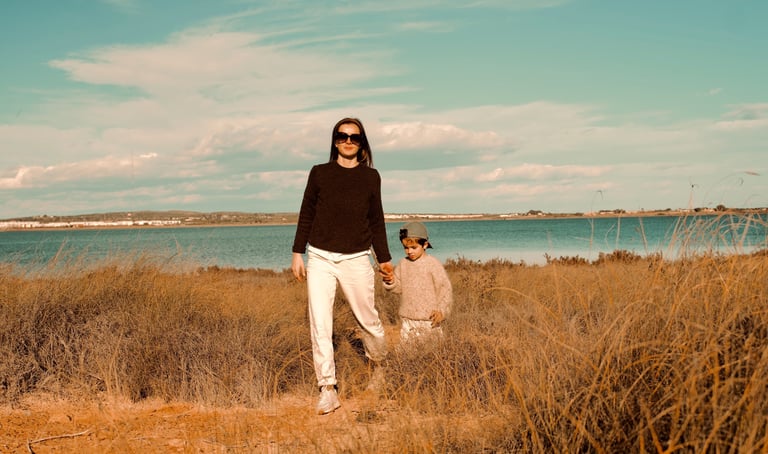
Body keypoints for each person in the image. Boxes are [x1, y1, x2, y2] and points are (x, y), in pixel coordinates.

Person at [291, 117, 394, 415]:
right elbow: (306, 213)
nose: (348, 141)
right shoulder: (319, 173)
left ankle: (380, 369)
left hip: (357, 258)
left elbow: (376, 220)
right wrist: (297, 252)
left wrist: (384, 259)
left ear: (362, 144)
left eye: (354, 137)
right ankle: (327, 389)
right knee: (320, 323)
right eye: (342, 136)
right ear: (335, 140)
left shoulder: (371, 177)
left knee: (368, 320)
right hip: (320, 257)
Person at [382, 221, 453, 346]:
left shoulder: (433, 264)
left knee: (433, 352)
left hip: (430, 321)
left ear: (425, 245)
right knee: (407, 353)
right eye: (406, 248)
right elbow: (399, 288)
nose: (409, 251)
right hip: (407, 321)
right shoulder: (403, 264)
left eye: (414, 247)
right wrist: (390, 281)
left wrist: (442, 311)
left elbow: (445, 290)